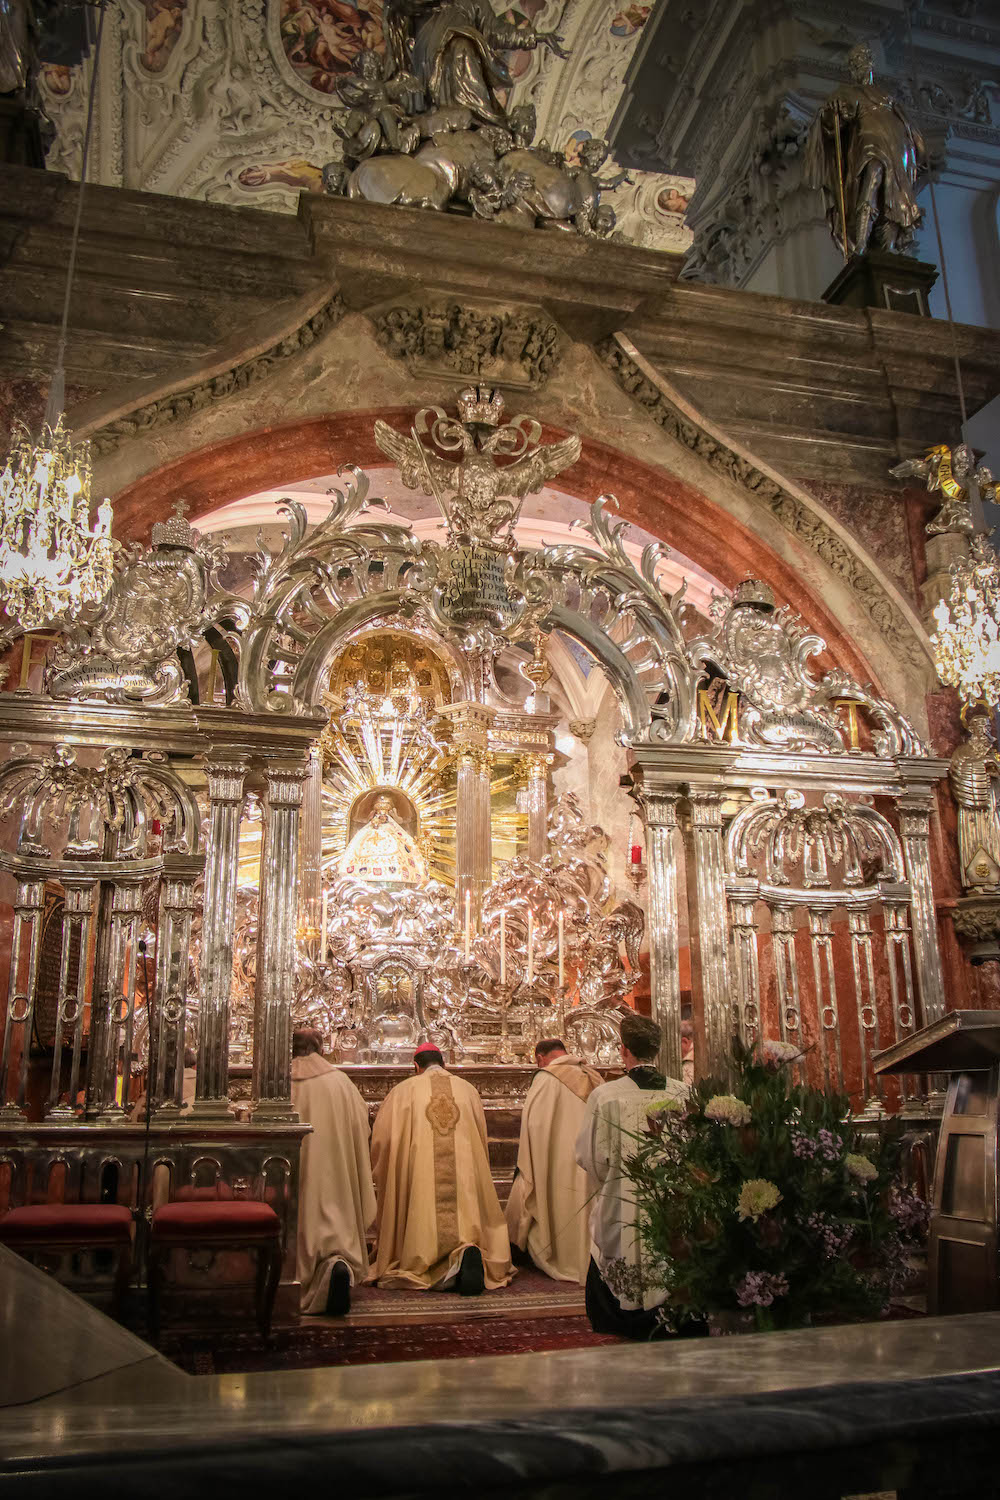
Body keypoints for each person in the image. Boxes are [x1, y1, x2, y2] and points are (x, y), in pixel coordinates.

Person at [369, 1041, 513, 1293]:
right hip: (463, 1173)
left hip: (419, 1178)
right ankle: (467, 1249)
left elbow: (381, 1142)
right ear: (443, 1063)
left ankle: (426, 1260)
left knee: (422, 1219)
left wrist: (388, 1171)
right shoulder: (468, 1090)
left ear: (416, 1066)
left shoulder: (402, 1091)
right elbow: (481, 1137)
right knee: (464, 1216)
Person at [576, 1012, 687, 1339]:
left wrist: (609, 1184)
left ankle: (620, 1316)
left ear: (624, 1050)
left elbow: (590, 1156)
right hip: (670, 1197)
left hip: (621, 1197)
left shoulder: (606, 1095)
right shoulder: (682, 1092)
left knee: (620, 1247)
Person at [291, 1028, 376, 1316]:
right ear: (321, 1049)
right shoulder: (341, 1082)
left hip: (296, 1172)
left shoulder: (279, 1085)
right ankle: (336, 1261)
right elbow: (362, 1126)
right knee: (336, 1208)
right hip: (336, 1171)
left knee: (300, 1212)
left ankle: (299, 1274)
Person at [506, 1038, 603, 1284]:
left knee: (559, 1208)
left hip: (559, 1166)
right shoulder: (594, 1076)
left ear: (540, 1058)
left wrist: (532, 1165)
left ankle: (562, 1257)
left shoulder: (546, 1078)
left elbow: (535, 1127)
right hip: (593, 1163)